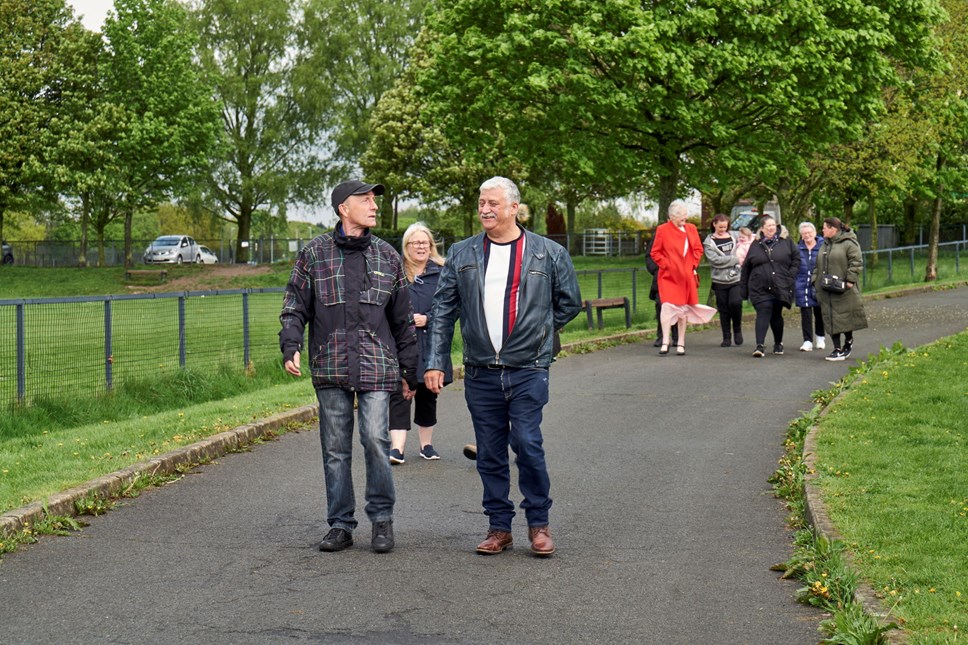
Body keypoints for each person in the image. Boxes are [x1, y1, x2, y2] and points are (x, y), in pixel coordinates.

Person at [424, 176, 582, 558]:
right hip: (481, 371)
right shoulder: (462, 254)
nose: (485, 209)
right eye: (481, 203)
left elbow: (570, 302)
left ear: (514, 207)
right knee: (490, 453)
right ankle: (499, 527)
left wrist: (539, 334)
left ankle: (538, 524)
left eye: (493, 203)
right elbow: (443, 311)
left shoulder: (547, 253)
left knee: (527, 443)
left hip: (529, 368)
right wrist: (435, 362)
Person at [279, 179, 418, 554]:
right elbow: (294, 305)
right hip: (330, 364)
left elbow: (403, 319)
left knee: (375, 439)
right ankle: (340, 524)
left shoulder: (388, 256)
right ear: (344, 208)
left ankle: (382, 520)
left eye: (375, 200)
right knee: (336, 448)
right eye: (366, 200)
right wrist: (290, 344)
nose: (374, 206)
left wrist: (410, 371)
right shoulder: (314, 254)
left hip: (377, 365)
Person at [388, 223, 452, 464]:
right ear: (406, 247)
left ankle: (426, 445)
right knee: (399, 392)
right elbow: (385, 307)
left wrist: (429, 319)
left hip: (431, 343)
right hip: (401, 343)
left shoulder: (443, 272)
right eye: (416, 242)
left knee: (427, 394)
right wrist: (405, 320)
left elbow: (452, 308)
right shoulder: (395, 273)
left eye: (425, 242)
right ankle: (397, 448)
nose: (421, 246)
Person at [649, 200, 716, 356]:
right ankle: (665, 341)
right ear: (672, 216)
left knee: (682, 310)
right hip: (668, 277)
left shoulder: (691, 229)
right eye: (681, 216)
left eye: (685, 215)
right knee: (666, 307)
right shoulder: (662, 230)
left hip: (686, 276)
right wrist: (667, 265)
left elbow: (698, 249)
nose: (684, 219)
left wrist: (692, 265)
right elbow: (655, 253)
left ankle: (681, 342)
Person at [740, 216, 799, 357]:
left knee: (776, 314)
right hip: (759, 286)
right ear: (762, 229)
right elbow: (746, 267)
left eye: (773, 225)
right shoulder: (755, 244)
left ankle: (778, 343)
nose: (772, 228)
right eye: (768, 226)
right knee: (763, 310)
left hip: (780, 284)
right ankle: (759, 346)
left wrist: (790, 275)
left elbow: (796, 259)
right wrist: (744, 289)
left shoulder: (786, 242)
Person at [814, 217, 868, 361]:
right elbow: (817, 264)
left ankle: (848, 342)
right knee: (830, 317)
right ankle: (837, 348)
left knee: (844, 317)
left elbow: (856, 261)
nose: (822, 229)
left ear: (833, 229)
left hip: (843, 289)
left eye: (825, 227)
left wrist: (850, 281)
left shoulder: (849, 243)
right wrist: (815, 280)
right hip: (826, 289)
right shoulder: (824, 245)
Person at [703, 213, 744, 347]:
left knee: (735, 303)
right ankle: (726, 336)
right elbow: (715, 261)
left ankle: (737, 329)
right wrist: (736, 259)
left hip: (736, 277)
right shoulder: (709, 243)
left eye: (725, 227)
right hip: (719, 280)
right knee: (724, 309)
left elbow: (748, 242)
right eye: (720, 227)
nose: (722, 230)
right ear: (714, 225)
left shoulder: (735, 236)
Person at [794, 222, 826, 352]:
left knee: (819, 312)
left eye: (809, 233)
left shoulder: (824, 246)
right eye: (804, 233)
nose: (807, 235)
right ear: (801, 235)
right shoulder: (797, 248)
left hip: (818, 283)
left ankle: (820, 337)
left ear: (814, 233)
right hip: (802, 283)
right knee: (805, 313)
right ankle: (807, 340)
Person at [645, 235, 677, 347]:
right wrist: (657, 269)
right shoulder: (660, 235)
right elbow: (649, 256)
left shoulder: (684, 234)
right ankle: (662, 336)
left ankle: (677, 336)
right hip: (661, 277)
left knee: (677, 305)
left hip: (678, 276)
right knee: (661, 305)